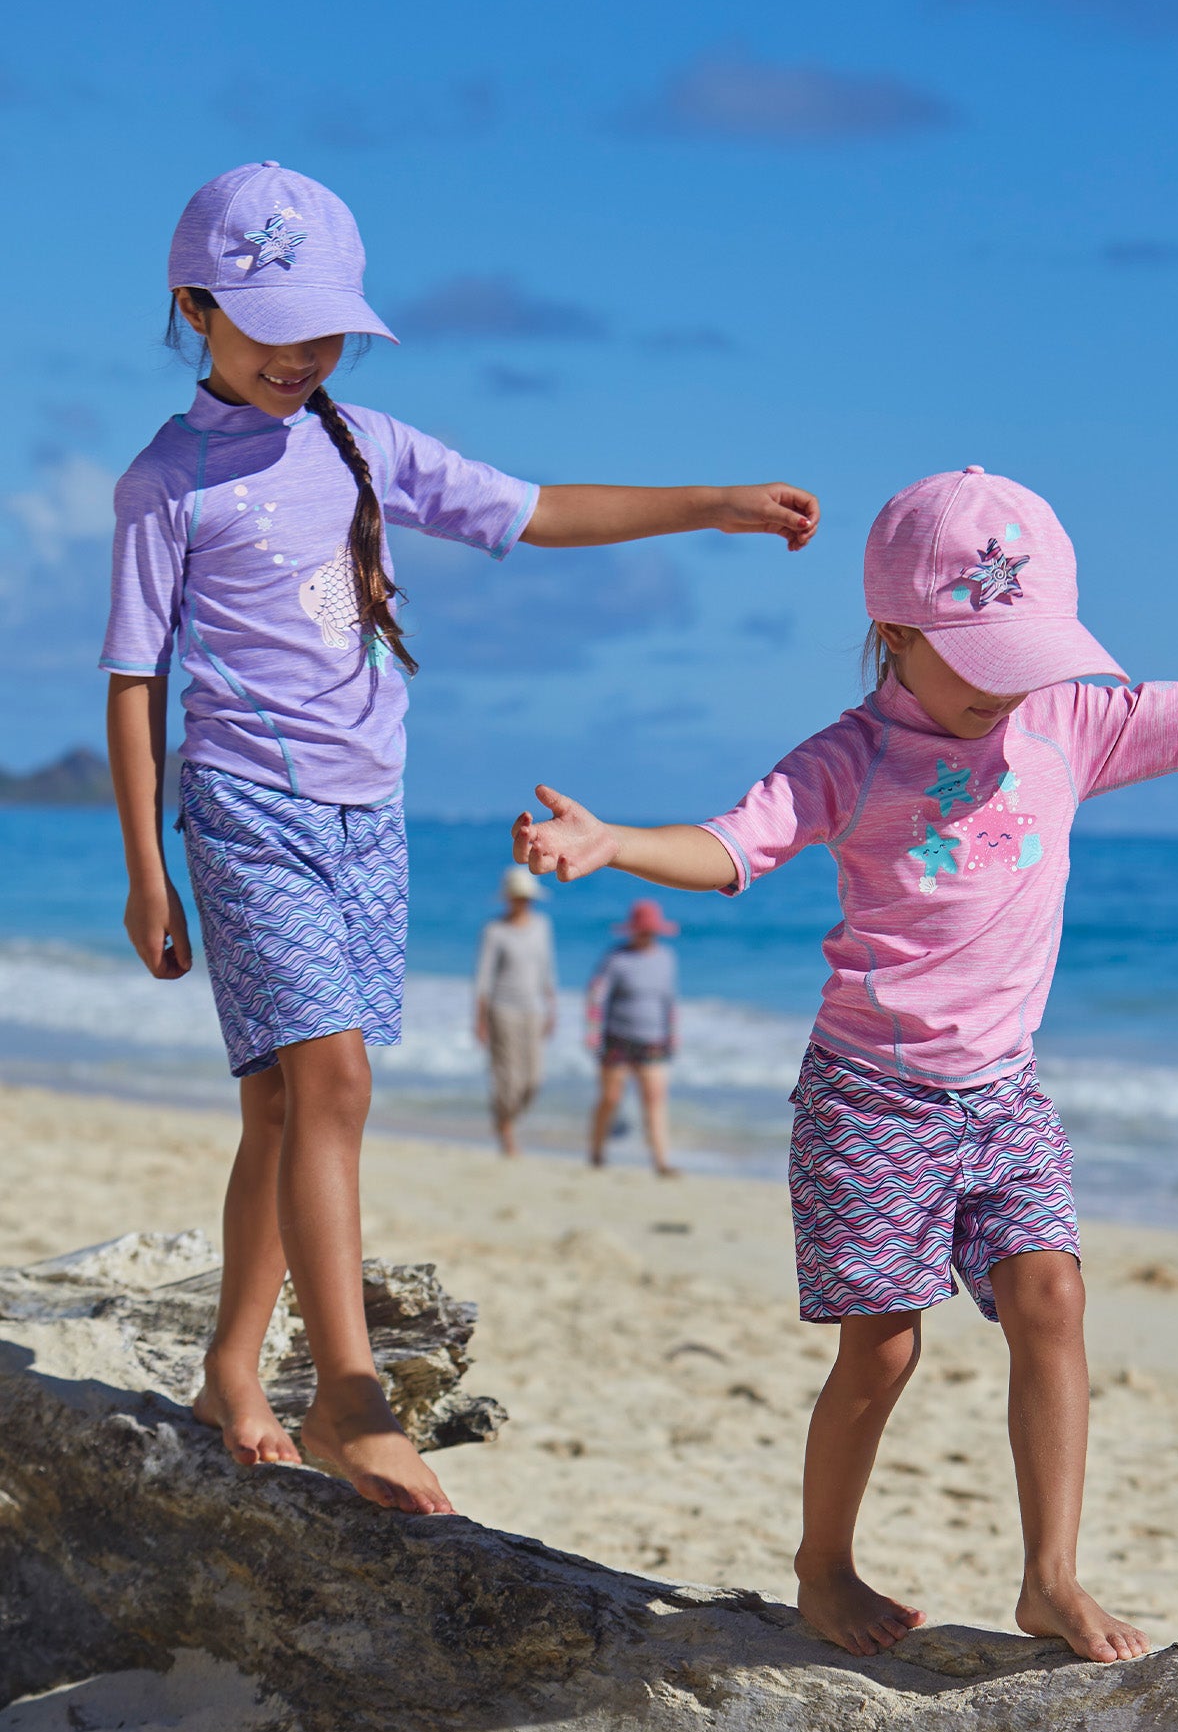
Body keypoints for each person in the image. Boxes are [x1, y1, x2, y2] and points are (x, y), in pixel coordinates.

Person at [514, 466, 1178, 1659]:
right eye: (983, 661)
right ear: (895, 635)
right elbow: (731, 846)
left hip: (1004, 1092)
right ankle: (823, 1563)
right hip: (871, 1096)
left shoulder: (1068, 724)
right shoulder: (849, 758)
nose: (1006, 688)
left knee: (1052, 1298)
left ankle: (1050, 1578)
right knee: (883, 1346)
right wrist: (615, 841)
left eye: (1024, 659)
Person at [103, 160, 818, 1515]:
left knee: (284, 1103)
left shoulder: (364, 443)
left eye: (325, 330)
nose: (300, 355)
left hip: (369, 816)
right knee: (333, 1085)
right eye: (271, 327)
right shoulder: (165, 481)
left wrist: (712, 503)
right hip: (247, 807)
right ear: (195, 307)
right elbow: (136, 681)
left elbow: (536, 510)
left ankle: (231, 1371)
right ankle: (347, 1396)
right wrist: (147, 869)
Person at [586, 898, 680, 1176]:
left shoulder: (666, 958)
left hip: (653, 1040)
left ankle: (661, 1161)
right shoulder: (616, 958)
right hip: (618, 1038)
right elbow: (596, 995)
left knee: (654, 1100)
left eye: (651, 931)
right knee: (611, 1097)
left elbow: (669, 1000)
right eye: (643, 931)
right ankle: (597, 1152)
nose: (646, 936)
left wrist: (673, 1034)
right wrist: (593, 1033)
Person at [475, 864, 557, 1155]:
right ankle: (506, 1130)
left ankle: (504, 1119)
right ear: (509, 898)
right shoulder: (495, 931)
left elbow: (547, 968)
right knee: (508, 1078)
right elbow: (483, 978)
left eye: (527, 898)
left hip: (533, 1009)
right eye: (518, 897)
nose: (523, 902)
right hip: (503, 1009)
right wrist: (480, 1019)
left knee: (534, 1079)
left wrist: (552, 1008)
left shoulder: (542, 926)